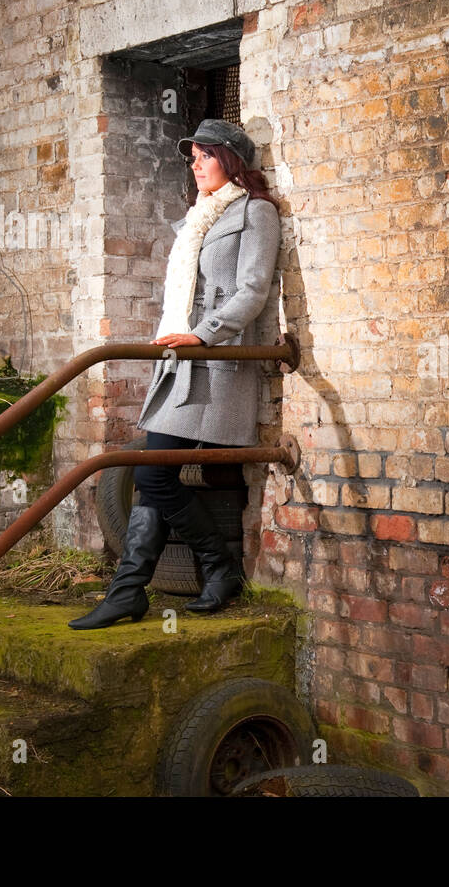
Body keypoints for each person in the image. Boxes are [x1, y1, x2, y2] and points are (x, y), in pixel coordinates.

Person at [70, 119, 282, 630]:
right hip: (181, 361)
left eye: (203, 155)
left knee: (150, 473)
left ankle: (212, 567)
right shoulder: (198, 218)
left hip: (216, 363)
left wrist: (203, 335)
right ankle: (133, 591)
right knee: (154, 475)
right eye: (192, 156)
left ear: (230, 159)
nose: (194, 163)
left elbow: (251, 291)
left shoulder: (256, 212)